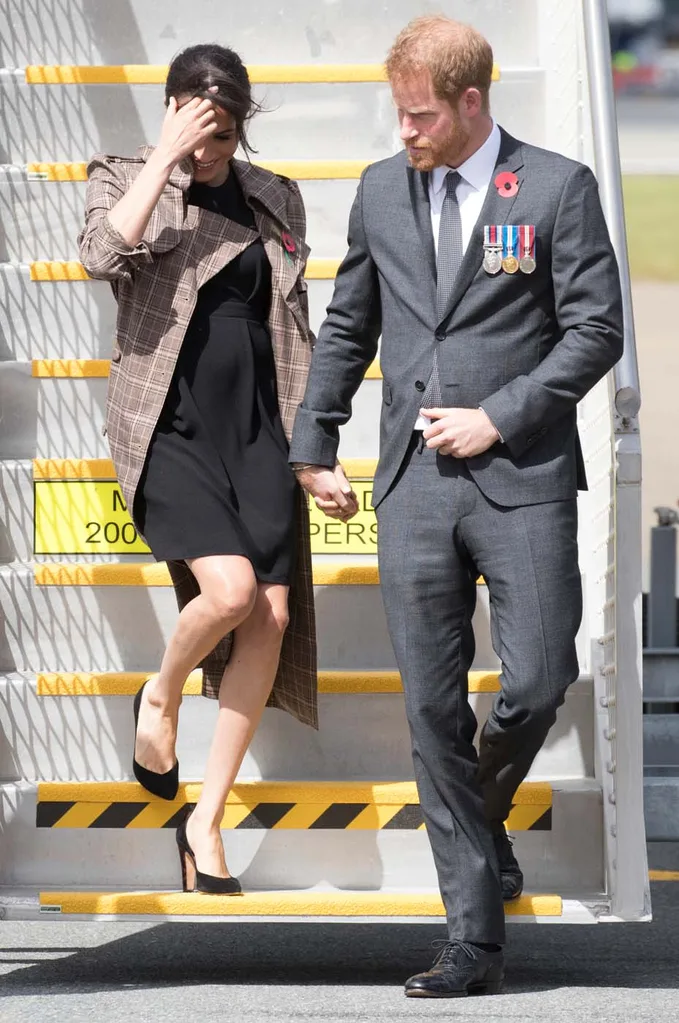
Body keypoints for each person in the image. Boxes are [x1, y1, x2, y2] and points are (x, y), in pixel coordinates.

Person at [289, 15, 623, 997]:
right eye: (397, 114)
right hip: (410, 489)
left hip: (519, 478)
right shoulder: (381, 192)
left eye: (421, 115)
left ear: (473, 102)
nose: (405, 132)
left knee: (535, 676)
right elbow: (349, 322)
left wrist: (498, 417)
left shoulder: (557, 188)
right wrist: (314, 444)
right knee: (433, 713)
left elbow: (595, 328)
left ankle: (476, 823)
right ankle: (472, 941)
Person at [78, 43, 317, 895]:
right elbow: (103, 258)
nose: (211, 152)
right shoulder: (122, 174)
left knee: (270, 617)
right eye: (197, 131)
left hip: (257, 424)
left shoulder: (274, 195)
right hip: (167, 422)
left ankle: (206, 819)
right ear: (173, 110)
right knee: (228, 594)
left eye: (222, 136)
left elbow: (291, 322)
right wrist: (167, 160)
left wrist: (312, 447)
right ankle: (160, 694)